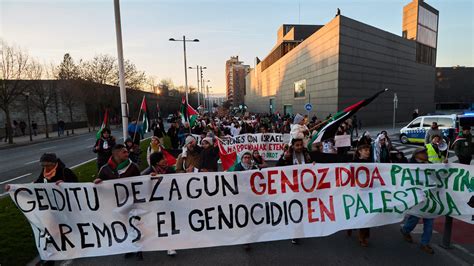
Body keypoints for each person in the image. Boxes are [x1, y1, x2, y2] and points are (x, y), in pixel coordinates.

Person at [400, 147, 435, 254]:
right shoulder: (410, 165)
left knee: (429, 219)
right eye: (423, 153)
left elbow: (439, 175)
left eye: (426, 152)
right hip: (416, 195)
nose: (426, 154)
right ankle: (406, 230)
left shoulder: (430, 164)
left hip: (429, 196)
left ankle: (425, 243)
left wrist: (445, 165)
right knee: (415, 217)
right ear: (416, 155)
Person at [347, 144, 372, 246]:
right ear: (359, 151)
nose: (368, 152)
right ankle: (349, 226)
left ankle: (363, 236)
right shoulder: (354, 163)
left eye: (368, 150)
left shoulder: (372, 164)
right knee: (355, 213)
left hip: (368, 191)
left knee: (367, 214)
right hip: (357, 192)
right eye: (365, 150)